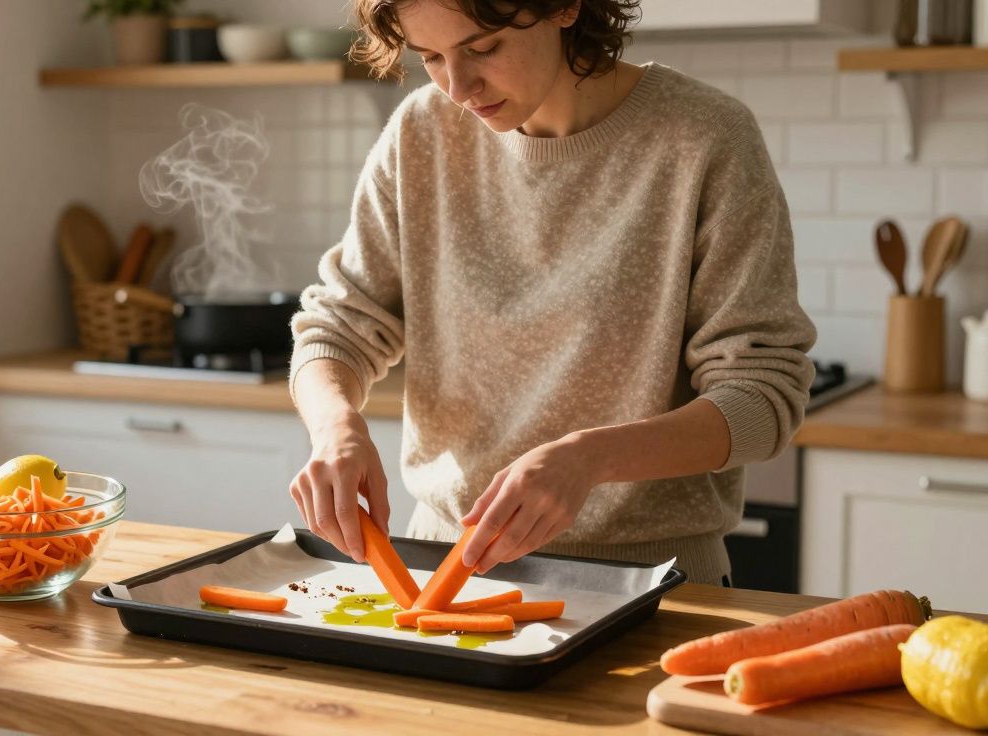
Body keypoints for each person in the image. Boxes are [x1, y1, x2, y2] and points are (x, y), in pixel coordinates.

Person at [286, 0, 816, 586]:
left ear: (564, 7)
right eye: (431, 57)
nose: (458, 87)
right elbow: (336, 327)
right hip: (440, 575)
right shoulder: (420, 133)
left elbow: (762, 397)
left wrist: (589, 459)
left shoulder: (704, 138)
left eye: (483, 47)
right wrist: (335, 426)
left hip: (653, 586)